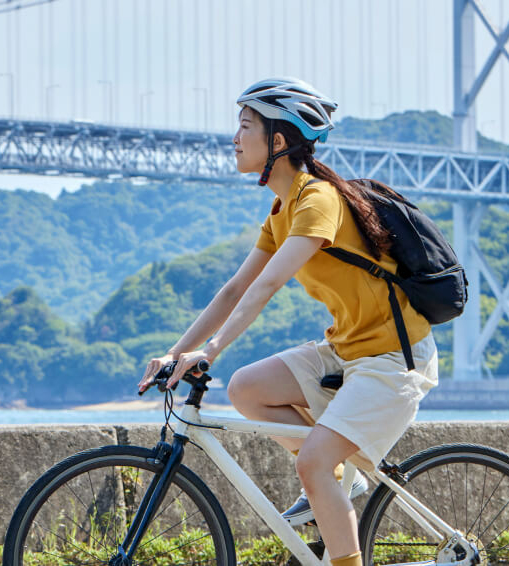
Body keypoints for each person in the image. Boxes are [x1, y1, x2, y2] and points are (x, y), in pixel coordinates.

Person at [136, 77, 438, 566]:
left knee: (314, 464)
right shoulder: (283, 208)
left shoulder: (318, 200)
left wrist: (208, 352)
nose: (234, 137)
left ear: (278, 141)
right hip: (348, 352)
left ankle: (334, 499)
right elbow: (233, 289)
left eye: (245, 125)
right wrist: (175, 352)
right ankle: (340, 480)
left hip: (392, 361)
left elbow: (266, 287)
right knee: (246, 388)